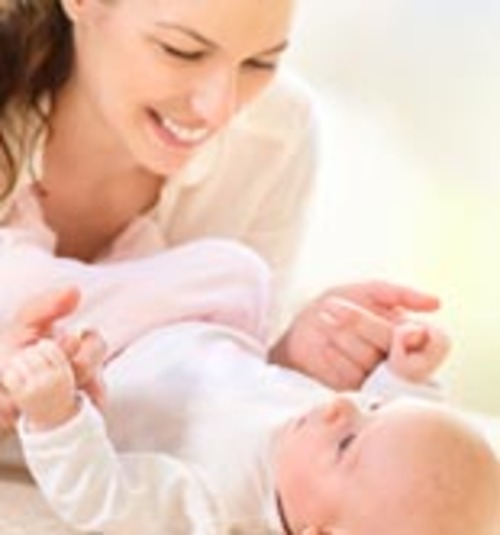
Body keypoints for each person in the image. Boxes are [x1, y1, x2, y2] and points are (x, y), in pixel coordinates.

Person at [0, 0, 447, 401]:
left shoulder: (275, 134)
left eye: (260, 62)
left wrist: (293, 359)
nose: (219, 109)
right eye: (182, 51)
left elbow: (213, 393)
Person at [1, 287, 498, 535]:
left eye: (346, 445)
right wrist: (406, 373)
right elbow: (400, 444)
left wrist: (54, 417)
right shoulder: (324, 438)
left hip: (96, 369)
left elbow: (102, 500)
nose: (340, 403)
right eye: (371, 406)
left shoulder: (216, 506)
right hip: (173, 319)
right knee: (240, 271)